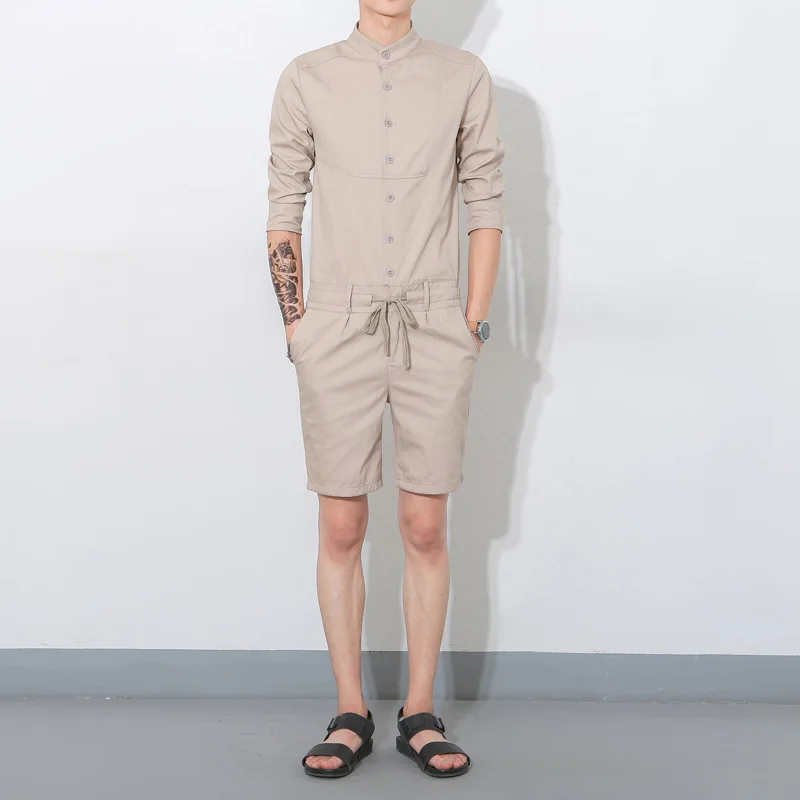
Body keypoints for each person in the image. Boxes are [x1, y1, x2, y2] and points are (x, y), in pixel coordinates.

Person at [267, 0, 504, 779]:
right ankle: (350, 710)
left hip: (435, 325)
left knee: (424, 525)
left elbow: (486, 200)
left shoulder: (463, 75)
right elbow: (283, 203)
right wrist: (298, 326)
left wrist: (471, 322)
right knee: (341, 526)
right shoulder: (307, 77)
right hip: (336, 326)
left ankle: (420, 711)